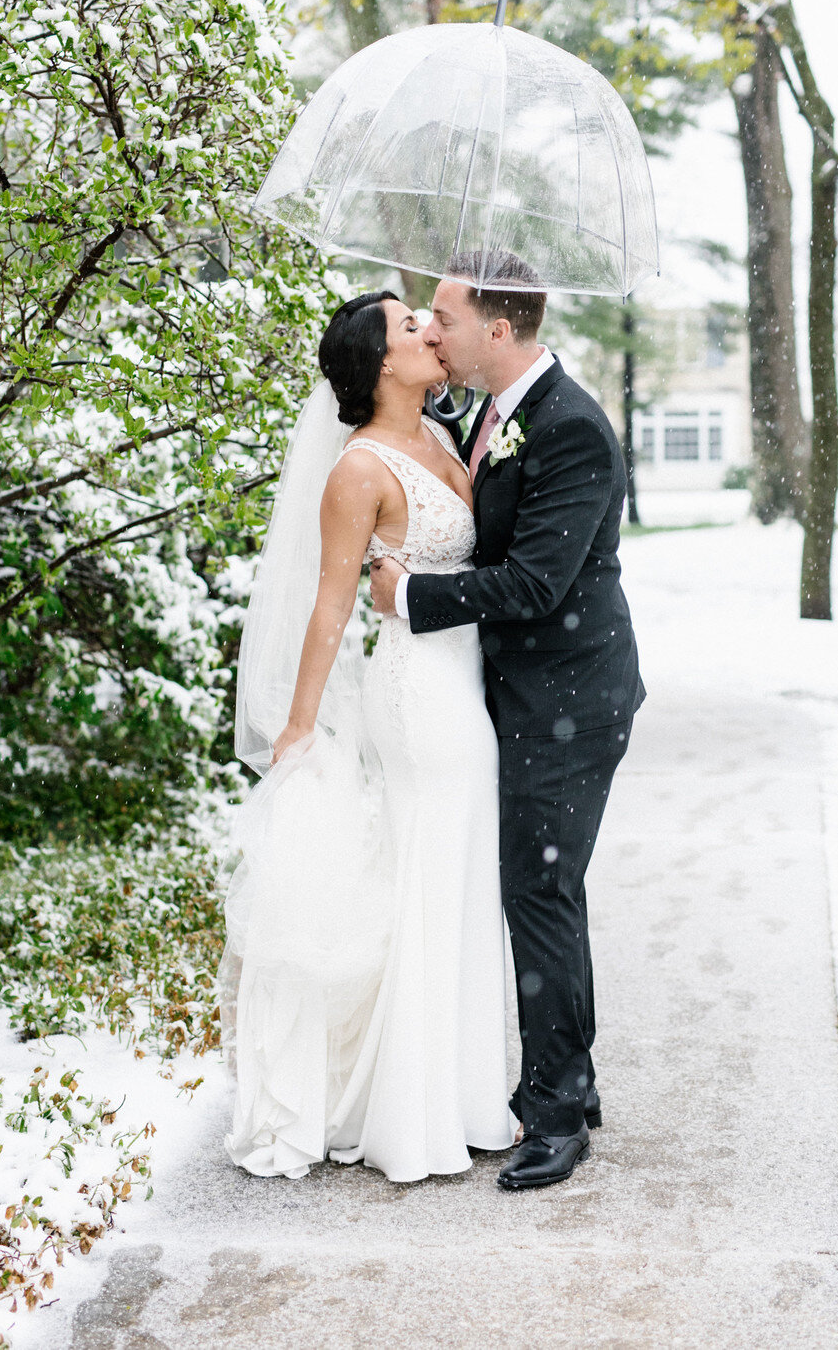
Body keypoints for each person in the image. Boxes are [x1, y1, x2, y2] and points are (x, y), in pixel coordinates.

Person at [219, 290, 514, 1183]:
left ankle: (459, 1094)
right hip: (418, 691)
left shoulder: (444, 434)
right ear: (381, 360)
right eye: (409, 324)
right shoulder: (359, 470)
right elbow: (329, 605)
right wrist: (300, 722)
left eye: (428, 318)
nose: (430, 328)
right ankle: (409, 1116)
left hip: (468, 680)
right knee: (432, 875)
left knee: (460, 874)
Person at [370, 251, 645, 1192]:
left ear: (498, 328)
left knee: (538, 891)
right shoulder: (491, 413)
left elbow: (532, 585)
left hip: (572, 697)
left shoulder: (569, 429)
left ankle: (557, 1114)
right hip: (524, 699)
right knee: (541, 889)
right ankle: (576, 1079)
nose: (431, 330)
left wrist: (409, 595)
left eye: (442, 316)